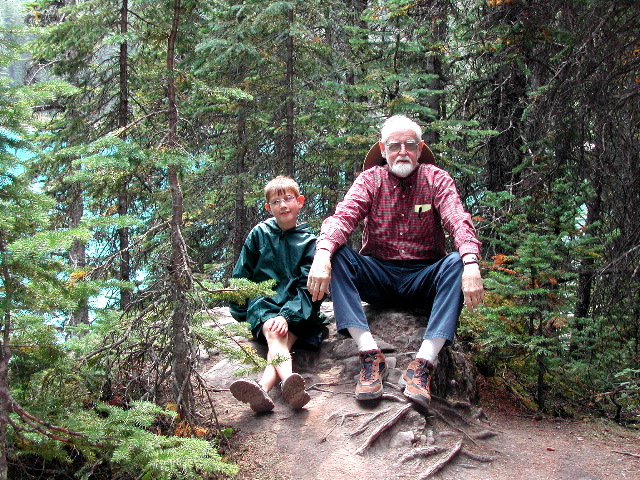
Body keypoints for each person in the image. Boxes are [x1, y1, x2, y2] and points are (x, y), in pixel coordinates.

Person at [306, 114, 484, 406]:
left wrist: (471, 261)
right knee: (338, 254)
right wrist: (323, 253)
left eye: (409, 145)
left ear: (419, 147)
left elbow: (457, 219)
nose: (402, 151)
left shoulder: (436, 179)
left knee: (455, 262)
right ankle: (369, 353)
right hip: (379, 275)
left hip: (423, 276)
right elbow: (344, 217)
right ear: (383, 149)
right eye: (394, 145)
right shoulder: (370, 180)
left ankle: (423, 364)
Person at [229, 175, 326, 413]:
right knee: (275, 331)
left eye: (288, 199)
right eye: (276, 202)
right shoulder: (259, 234)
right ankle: (290, 382)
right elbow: (243, 275)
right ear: (268, 207)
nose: (283, 205)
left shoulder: (310, 242)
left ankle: (262, 388)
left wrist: (288, 315)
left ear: (300, 202)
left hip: (298, 308)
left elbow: (310, 288)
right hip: (264, 303)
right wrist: (243, 312)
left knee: (281, 336)